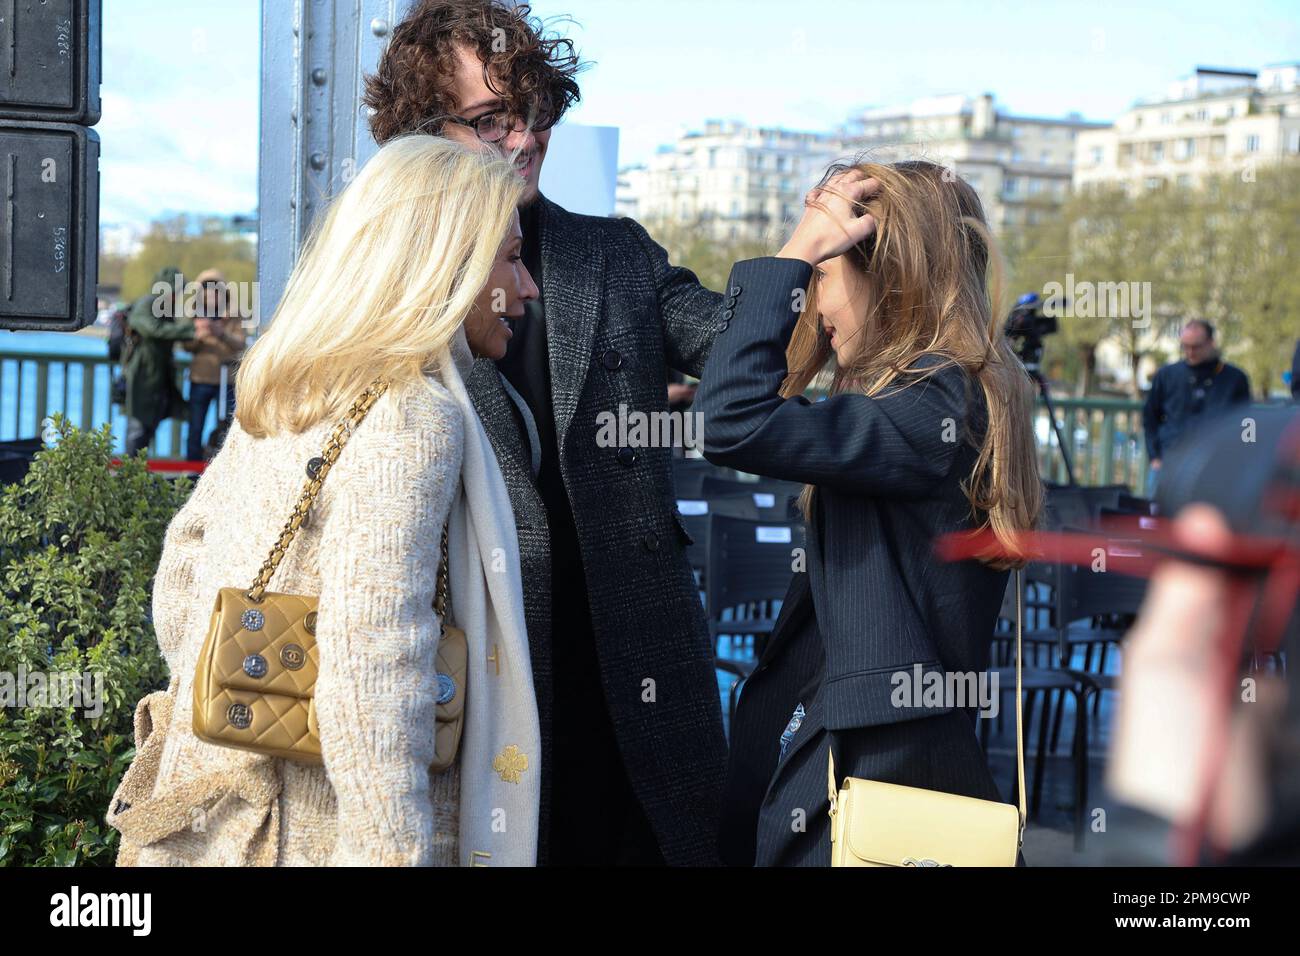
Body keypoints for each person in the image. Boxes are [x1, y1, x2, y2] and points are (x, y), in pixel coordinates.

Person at [106, 136, 542, 866]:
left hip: (208, 816)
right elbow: (374, 661)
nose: (528, 288)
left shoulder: (293, 383)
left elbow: (181, 577)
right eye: (513, 258)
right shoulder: (411, 414)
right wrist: (389, 854)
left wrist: (245, 700)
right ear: (448, 264)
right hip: (309, 833)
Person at [364, 0, 726, 865]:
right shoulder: (375, 281)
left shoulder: (615, 253)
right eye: (492, 119)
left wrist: (808, 261)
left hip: (629, 665)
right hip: (471, 685)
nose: (525, 139)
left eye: (538, 114)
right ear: (421, 131)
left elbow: (733, 343)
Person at [696, 161, 1044, 866]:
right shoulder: (946, 394)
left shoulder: (937, 401)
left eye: (823, 274)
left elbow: (728, 416)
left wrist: (791, 254)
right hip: (876, 741)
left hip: (874, 762)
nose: (811, 298)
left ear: (889, 273)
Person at [1142, 319, 1251, 496]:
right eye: (1185, 346)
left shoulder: (1235, 378)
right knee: (1157, 520)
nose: (1190, 352)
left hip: (1216, 467)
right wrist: (1154, 457)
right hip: (1169, 462)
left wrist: (1244, 456)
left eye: (1196, 346)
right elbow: (1150, 418)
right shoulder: (1167, 375)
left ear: (1211, 343)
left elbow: (1248, 423)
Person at [124, 267, 194, 457]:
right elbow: (153, 329)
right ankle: (128, 473)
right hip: (142, 377)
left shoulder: (165, 309)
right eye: (175, 291)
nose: (177, 296)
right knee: (138, 427)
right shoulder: (146, 305)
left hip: (159, 378)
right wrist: (192, 330)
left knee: (149, 427)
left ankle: (138, 472)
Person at [182, 269, 247, 461]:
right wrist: (199, 336)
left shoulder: (233, 315)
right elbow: (186, 345)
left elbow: (240, 344)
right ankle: (191, 470)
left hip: (226, 380)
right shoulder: (194, 313)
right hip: (200, 379)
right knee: (195, 427)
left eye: (216, 290)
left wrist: (222, 333)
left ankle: (224, 466)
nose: (212, 294)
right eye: (207, 290)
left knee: (227, 427)